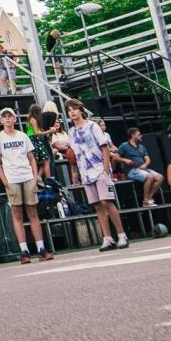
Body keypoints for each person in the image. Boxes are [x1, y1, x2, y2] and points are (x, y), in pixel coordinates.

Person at [66, 100, 129, 252]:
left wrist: (106, 169)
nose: (72, 112)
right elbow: (74, 154)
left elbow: (104, 147)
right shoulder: (71, 132)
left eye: (74, 109)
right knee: (97, 205)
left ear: (81, 110)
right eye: (69, 110)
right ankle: (107, 238)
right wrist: (74, 173)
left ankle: (121, 234)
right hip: (85, 172)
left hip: (99, 168)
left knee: (106, 201)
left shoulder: (92, 126)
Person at [0, 106, 51, 262]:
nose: (7, 118)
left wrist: (35, 177)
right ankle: (24, 250)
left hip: (27, 176)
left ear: (15, 118)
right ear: (1, 120)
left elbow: (31, 157)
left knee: (32, 212)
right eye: (4, 116)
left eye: (10, 116)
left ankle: (41, 248)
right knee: (17, 214)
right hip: (12, 179)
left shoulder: (23, 136)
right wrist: (4, 180)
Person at [115, 127, 164, 207]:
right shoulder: (124, 146)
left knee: (160, 177)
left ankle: (148, 198)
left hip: (143, 169)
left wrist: (145, 164)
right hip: (132, 169)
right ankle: (146, 200)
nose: (141, 136)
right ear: (133, 135)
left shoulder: (142, 147)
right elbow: (115, 157)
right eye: (139, 135)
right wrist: (125, 160)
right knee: (150, 177)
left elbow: (147, 159)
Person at [25, 103, 53, 180]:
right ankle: (47, 179)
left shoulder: (29, 119)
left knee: (46, 160)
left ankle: (38, 176)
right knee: (45, 160)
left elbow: (39, 130)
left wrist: (48, 131)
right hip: (36, 141)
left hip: (33, 140)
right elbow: (36, 133)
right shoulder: (33, 120)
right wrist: (48, 132)